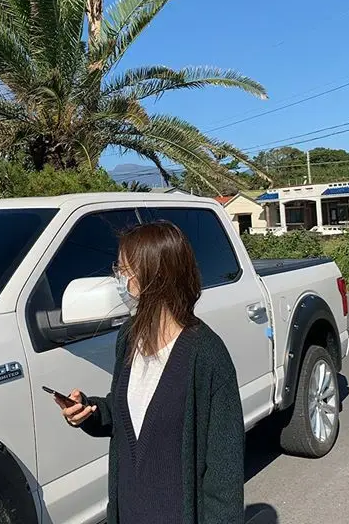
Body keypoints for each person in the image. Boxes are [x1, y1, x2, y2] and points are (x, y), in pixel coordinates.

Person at [52, 220, 245, 524]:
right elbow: (130, 416)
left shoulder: (207, 355)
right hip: (129, 512)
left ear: (156, 276)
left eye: (125, 270)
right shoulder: (129, 337)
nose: (118, 278)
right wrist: (91, 412)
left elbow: (224, 471)